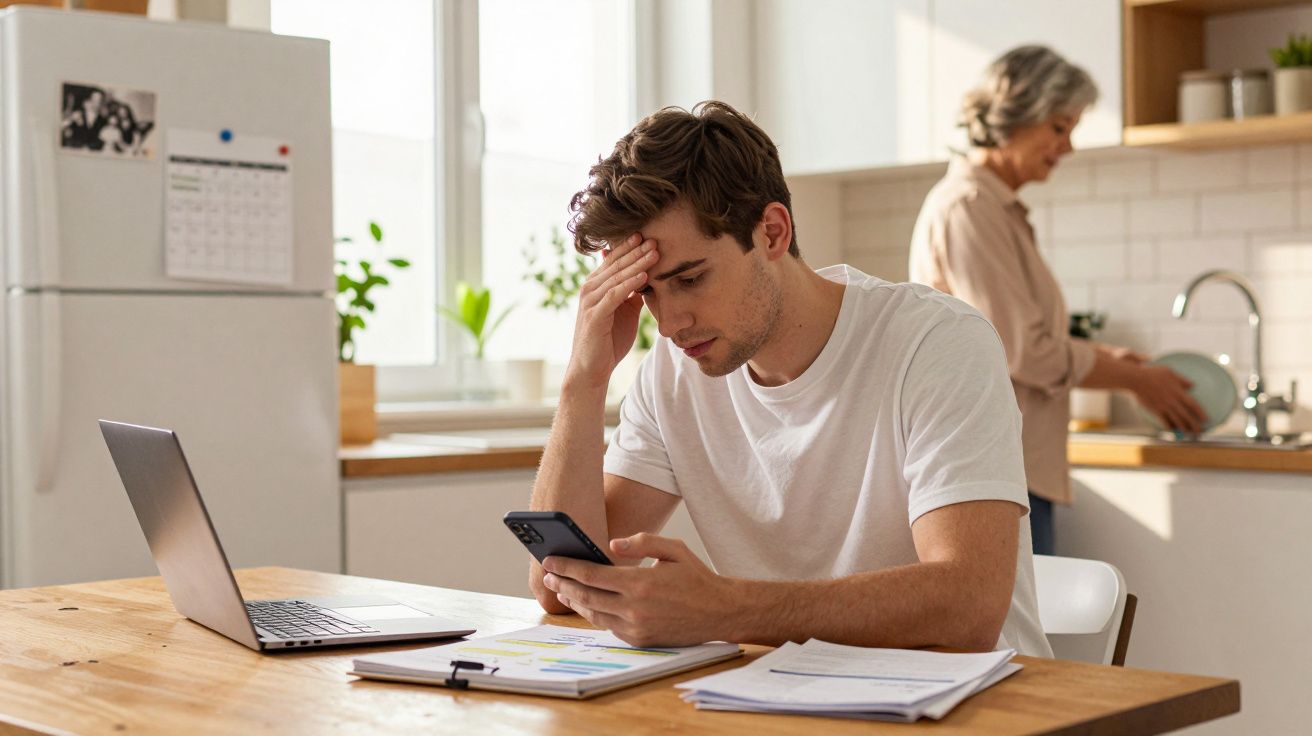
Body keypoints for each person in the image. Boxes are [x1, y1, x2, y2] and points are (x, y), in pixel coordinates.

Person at [527, 100, 1052, 657]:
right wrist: (583, 381)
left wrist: (724, 609)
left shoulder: (937, 343)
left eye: (691, 278)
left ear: (773, 233)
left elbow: (969, 607)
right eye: (648, 291)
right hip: (786, 691)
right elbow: (559, 588)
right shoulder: (672, 372)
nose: (670, 322)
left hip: (979, 697)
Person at [909, 46, 1206, 556]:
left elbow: (1016, 336)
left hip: (1011, 466)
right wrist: (1134, 379)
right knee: (1018, 611)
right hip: (992, 471)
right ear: (1017, 115)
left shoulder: (993, 208)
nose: (1067, 147)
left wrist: (1111, 359)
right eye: (1059, 127)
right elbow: (1021, 351)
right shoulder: (970, 208)